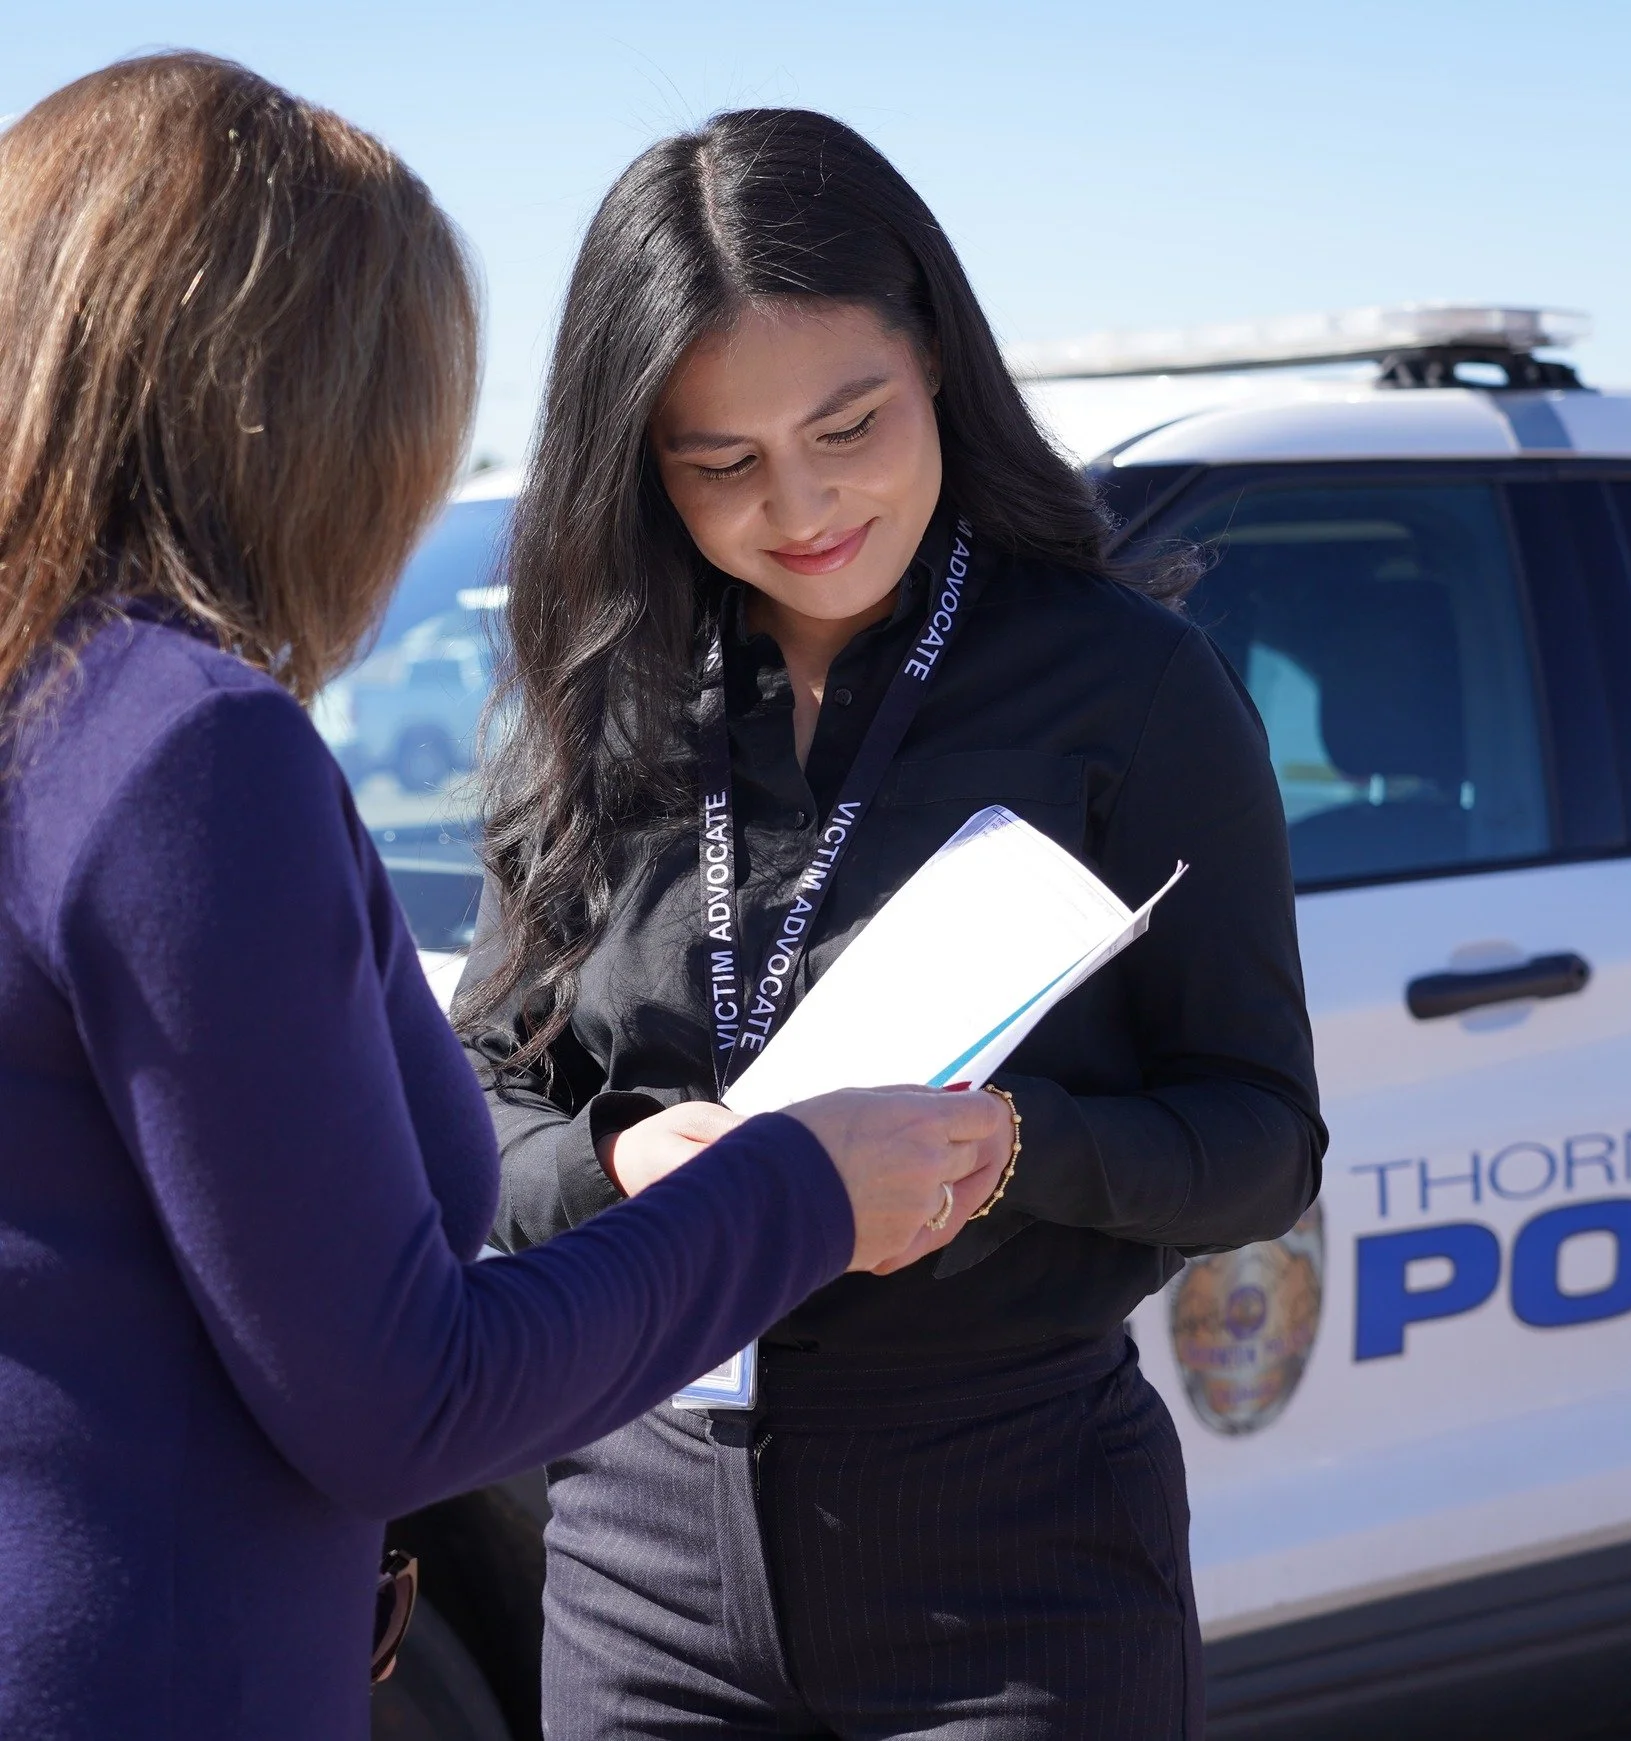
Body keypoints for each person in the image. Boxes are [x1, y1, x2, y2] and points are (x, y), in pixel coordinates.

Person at [0, 56, 1006, 1741]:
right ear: (322, 415)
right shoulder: (183, 751)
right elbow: (410, 1397)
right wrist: (799, 1190)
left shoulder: (47, 703)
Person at [456, 107, 1325, 1739]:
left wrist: (1004, 1148)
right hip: (638, 1545)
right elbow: (475, 1098)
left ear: (935, 359)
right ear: (638, 461)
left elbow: (1263, 1142)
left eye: (848, 424)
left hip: (1007, 1552)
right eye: (721, 464)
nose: (801, 506)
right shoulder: (597, 698)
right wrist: (616, 1170)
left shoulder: (1128, 690)